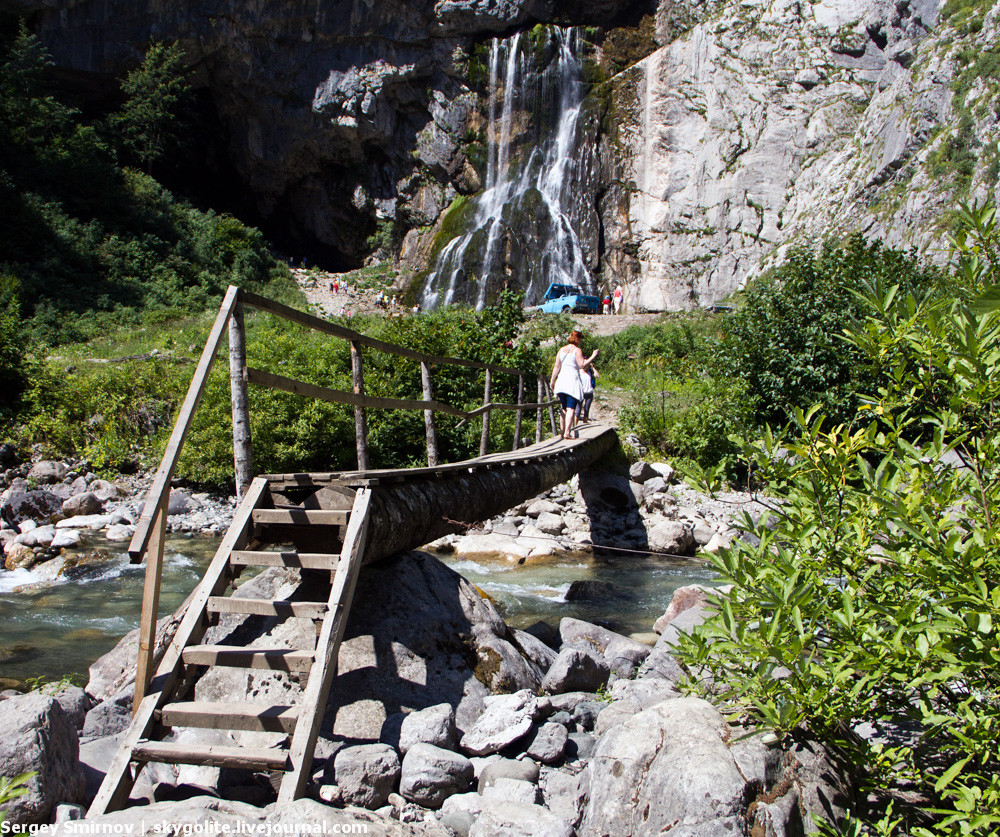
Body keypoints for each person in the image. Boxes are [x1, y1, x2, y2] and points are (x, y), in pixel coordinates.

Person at [550, 331, 598, 441]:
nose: (581, 342)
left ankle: (562, 432)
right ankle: (567, 432)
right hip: (572, 381)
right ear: (578, 339)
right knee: (570, 408)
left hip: (561, 381)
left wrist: (552, 380)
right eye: (580, 339)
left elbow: (557, 366)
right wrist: (593, 356)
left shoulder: (561, 349)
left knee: (564, 408)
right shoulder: (577, 350)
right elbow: (582, 364)